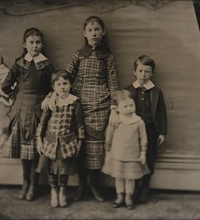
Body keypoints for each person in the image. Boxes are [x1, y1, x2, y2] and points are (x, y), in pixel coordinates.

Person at [42, 16, 118, 202]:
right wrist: (53, 94)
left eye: (97, 29)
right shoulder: (78, 54)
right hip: (77, 104)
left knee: (96, 147)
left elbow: (113, 82)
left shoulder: (107, 56)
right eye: (90, 30)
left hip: (100, 104)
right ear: (85, 33)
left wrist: (114, 107)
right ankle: (82, 184)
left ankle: (93, 184)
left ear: (103, 32)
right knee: (78, 144)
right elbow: (65, 76)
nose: (94, 33)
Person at [1, 27, 54, 201]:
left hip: (39, 110)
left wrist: (48, 97)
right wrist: (17, 97)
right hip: (21, 109)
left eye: (38, 42)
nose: (35, 46)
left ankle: (34, 184)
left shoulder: (47, 65)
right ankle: (25, 182)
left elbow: (53, 87)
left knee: (35, 150)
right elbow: (5, 86)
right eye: (31, 42)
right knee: (24, 150)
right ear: (25, 44)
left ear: (42, 44)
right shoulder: (19, 64)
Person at [36, 70, 85, 208]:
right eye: (59, 84)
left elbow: (79, 125)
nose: (62, 87)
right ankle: (54, 189)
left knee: (64, 168)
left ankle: (63, 189)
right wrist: (38, 139)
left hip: (67, 143)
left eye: (65, 83)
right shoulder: (50, 102)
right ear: (54, 87)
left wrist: (80, 142)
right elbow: (42, 123)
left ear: (71, 84)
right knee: (51, 168)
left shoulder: (75, 103)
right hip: (50, 141)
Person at [126, 55, 167, 203]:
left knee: (149, 158)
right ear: (134, 72)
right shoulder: (129, 90)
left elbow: (162, 112)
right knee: (134, 157)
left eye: (147, 72)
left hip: (150, 131)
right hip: (133, 131)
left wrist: (162, 132)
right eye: (140, 71)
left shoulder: (156, 91)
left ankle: (145, 187)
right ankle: (134, 187)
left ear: (153, 73)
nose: (143, 75)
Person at [102, 90, 149, 210]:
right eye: (125, 106)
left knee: (130, 178)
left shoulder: (138, 121)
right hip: (117, 155)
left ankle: (129, 197)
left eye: (131, 105)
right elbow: (109, 137)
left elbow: (143, 139)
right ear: (117, 108)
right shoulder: (115, 120)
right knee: (119, 177)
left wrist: (143, 153)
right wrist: (107, 152)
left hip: (132, 156)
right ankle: (119, 196)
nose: (129, 108)